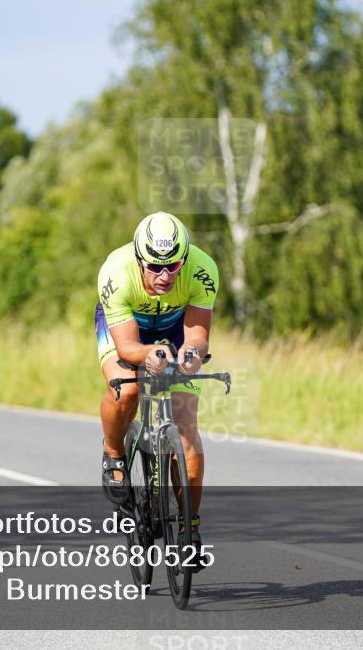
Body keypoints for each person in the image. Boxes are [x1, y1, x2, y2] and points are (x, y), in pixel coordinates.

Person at [95, 211, 219, 568]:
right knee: (127, 391)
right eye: (154, 267)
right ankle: (113, 451)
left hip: (175, 325)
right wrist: (149, 354)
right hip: (127, 330)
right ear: (139, 258)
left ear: (185, 257)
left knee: (186, 423)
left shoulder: (202, 269)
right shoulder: (116, 274)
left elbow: (197, 335)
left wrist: (192, 354)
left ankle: (189, 529)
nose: (165, 276)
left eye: (173, 266)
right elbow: (127, 348)